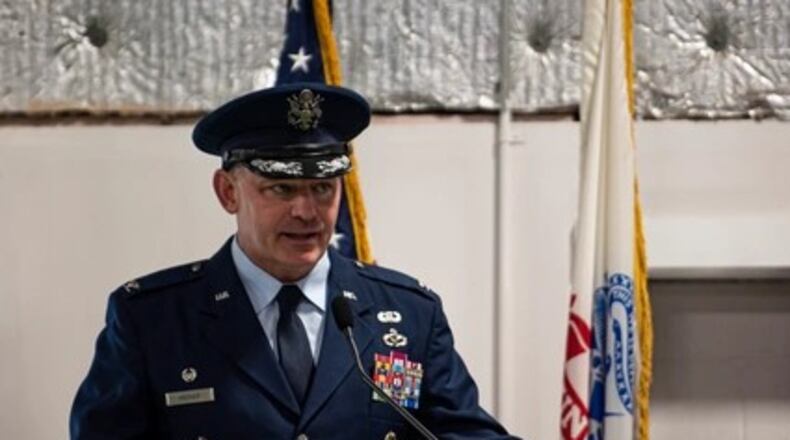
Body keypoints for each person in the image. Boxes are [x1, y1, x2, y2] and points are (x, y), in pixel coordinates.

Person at [70, 82, 518, 439]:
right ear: (228, 192)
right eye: (281, 189)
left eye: (322, 189)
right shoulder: (154, 320)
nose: (306, 212)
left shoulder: (409, 315)